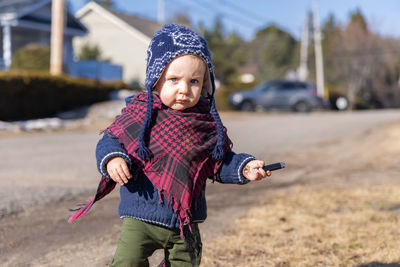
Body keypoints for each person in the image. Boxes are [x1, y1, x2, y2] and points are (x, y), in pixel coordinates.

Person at [69, 24, 272, 267]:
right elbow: (110, 139)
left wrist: (244, 167)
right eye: (174, 79)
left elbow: (219, 161)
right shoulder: (141, 114)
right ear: (156, 79)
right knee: (127, 262)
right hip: (140, 216)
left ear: (205, 84)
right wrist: (113, 158)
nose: (184, 90)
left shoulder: (203, 122)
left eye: (194, 81)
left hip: (185, 222)